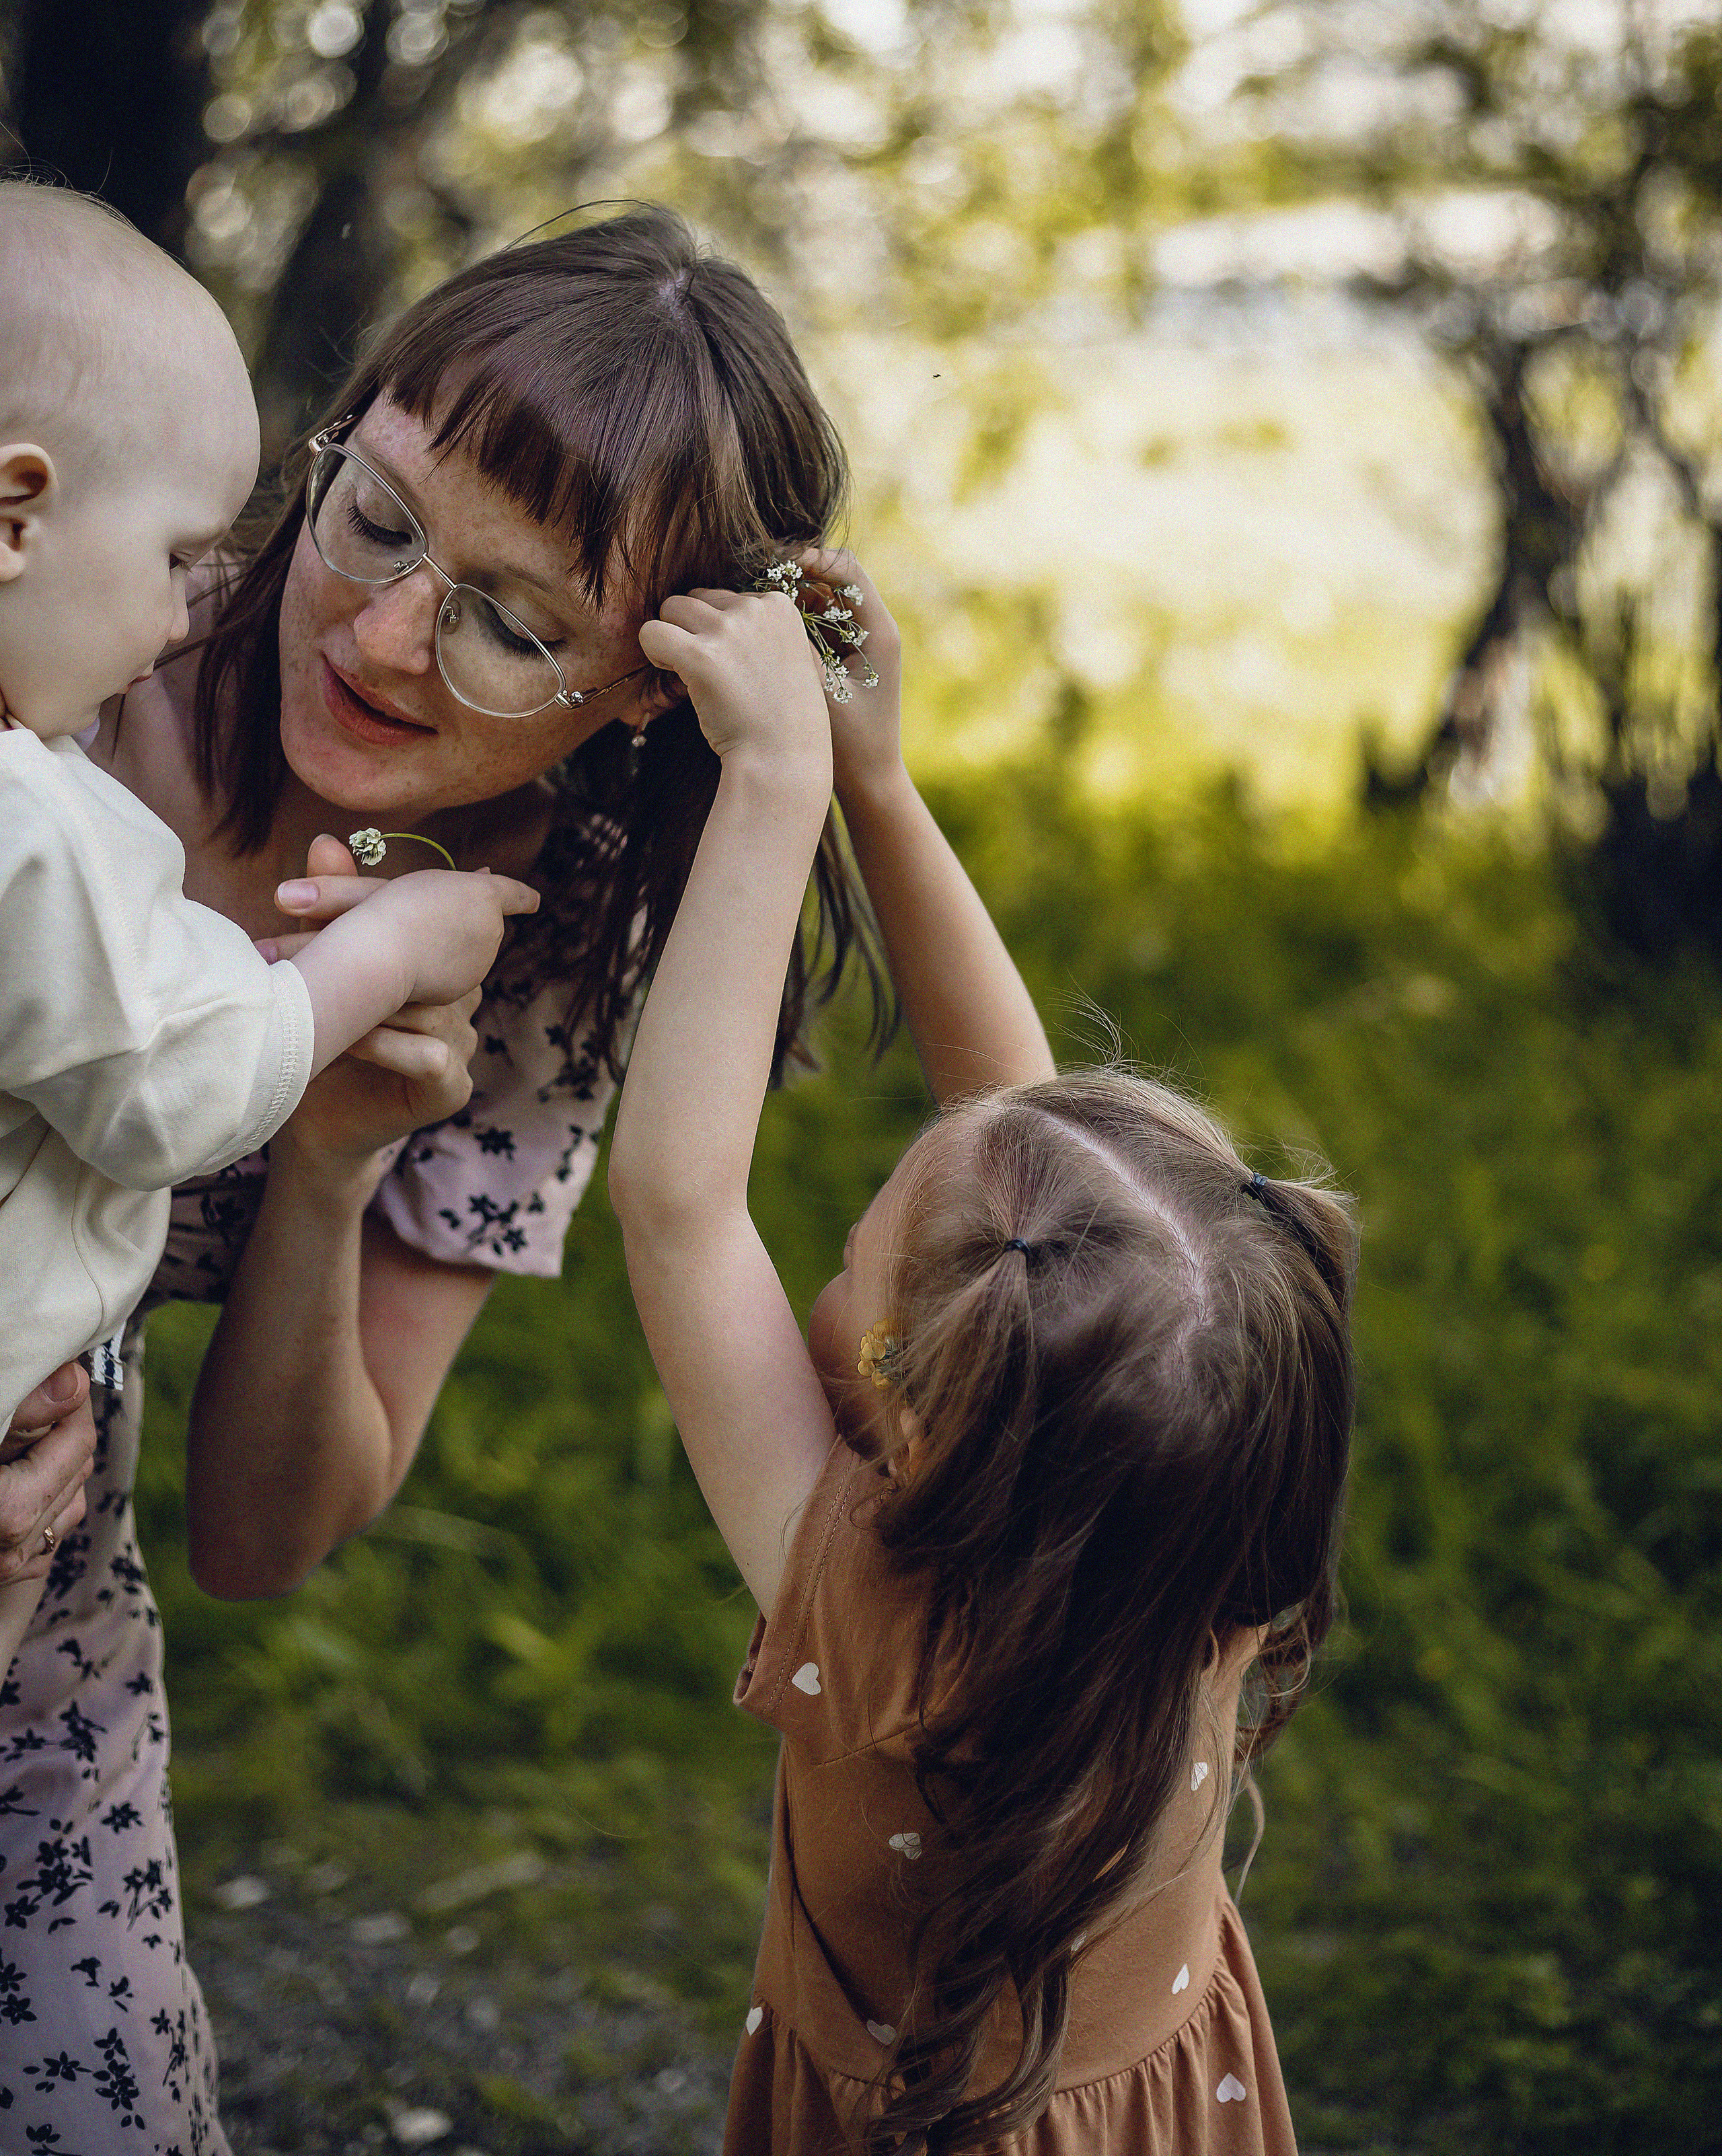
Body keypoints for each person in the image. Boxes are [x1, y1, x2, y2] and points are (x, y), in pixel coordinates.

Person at [0, 206, 872, 2149]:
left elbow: (263, 1540)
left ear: (641, 686)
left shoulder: (536, 958)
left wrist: (323, 1169)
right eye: (376, 520)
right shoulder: (65, 648)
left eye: (513, 621)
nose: (382, 637)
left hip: (48, 1641)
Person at [607, 564, 1358, 2153]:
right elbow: (1015, 1145)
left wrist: (777, 783)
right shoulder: (1191, 1548)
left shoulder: (886, 1617)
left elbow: (679, 1208)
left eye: (842, 1263)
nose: (819, 1267)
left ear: (912, 1419)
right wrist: (877, 781)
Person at [0, 184, 537, 1681]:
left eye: (514, 621)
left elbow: (263, 1541)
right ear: (12, 516)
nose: (188, 615)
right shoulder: (24, 810)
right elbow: (171, 1073)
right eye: (176, 558)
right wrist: (390, 950)